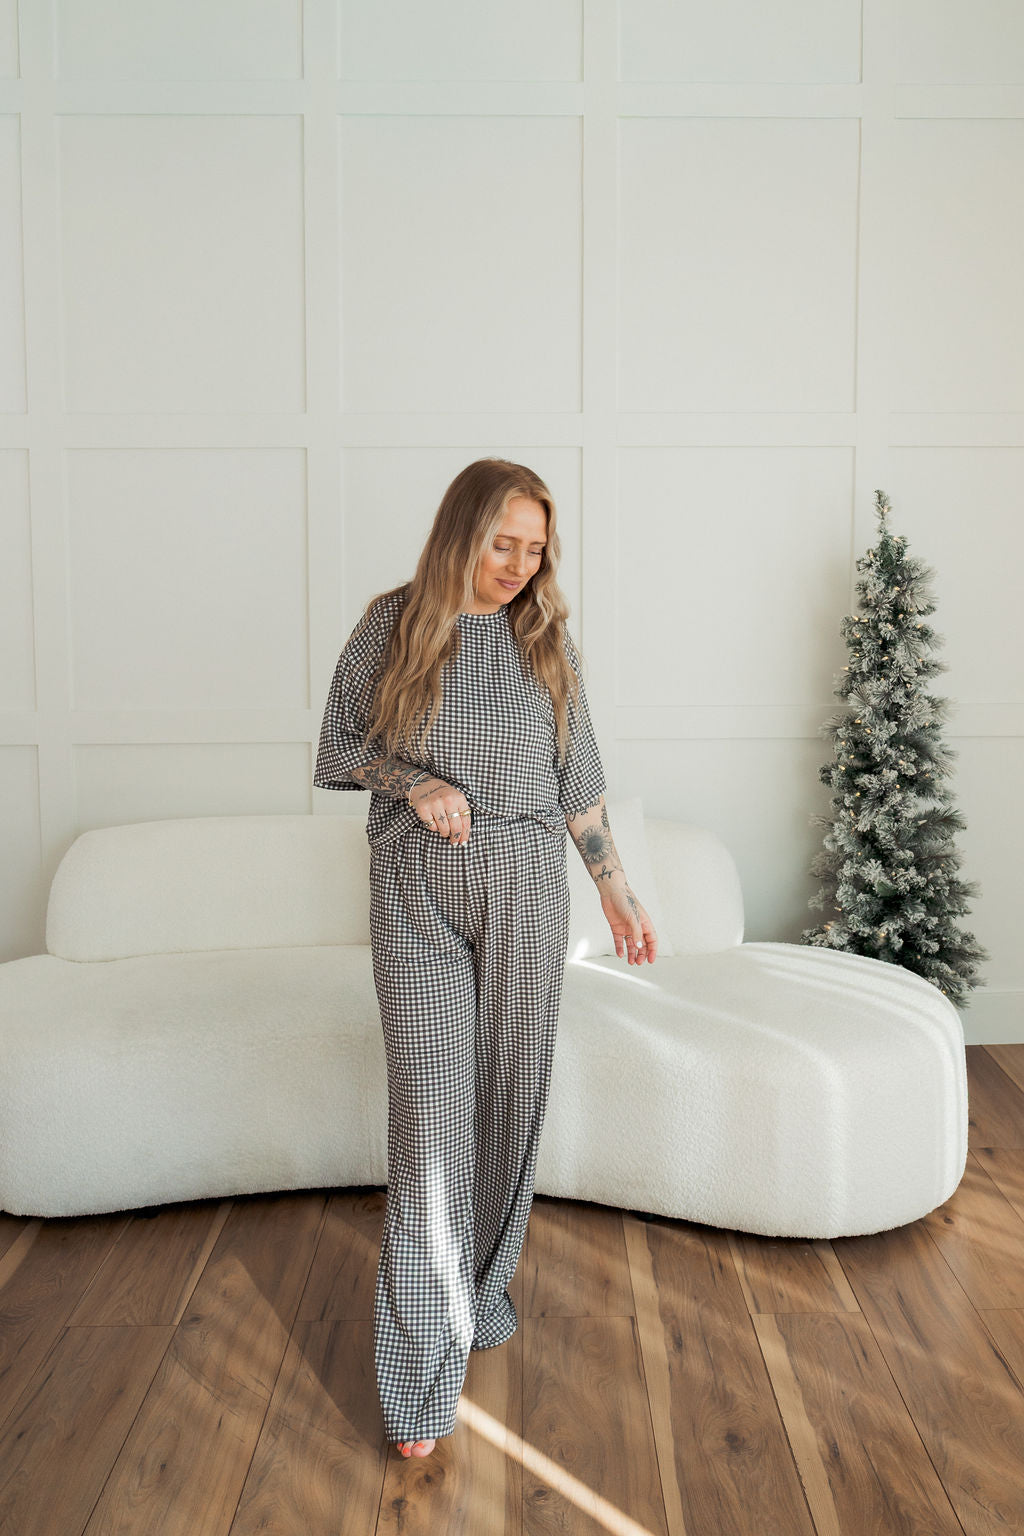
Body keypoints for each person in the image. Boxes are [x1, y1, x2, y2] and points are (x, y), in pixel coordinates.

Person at [313, 458, 657, 1460]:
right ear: (459, 531)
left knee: (511, 1097)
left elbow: (577, 787)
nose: (515, 566)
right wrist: (413, 782)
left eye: (535, 549)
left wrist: (617, 889)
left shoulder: (545, 640)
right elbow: (339, 745)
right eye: (501, 543)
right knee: (428, 1117)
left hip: (524, 887)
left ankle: (479, 1285)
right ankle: (421, 1376)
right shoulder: (393, 623)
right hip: (417, 884)